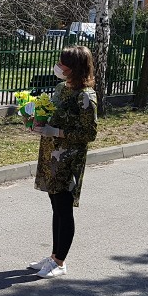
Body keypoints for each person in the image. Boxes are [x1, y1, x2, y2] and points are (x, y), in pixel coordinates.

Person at [28, 45, 98, 278]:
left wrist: (58, 133)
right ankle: (53, 255)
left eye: (63, 63)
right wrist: (36, 120)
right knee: (55, 206)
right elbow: (52, 113)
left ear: (75, 67)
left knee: (64, 208)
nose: (59, 66)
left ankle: (60, 262)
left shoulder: (85, 96)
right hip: (51, 155)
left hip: (69, 159)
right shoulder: (61, 87)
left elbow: (89, 133)